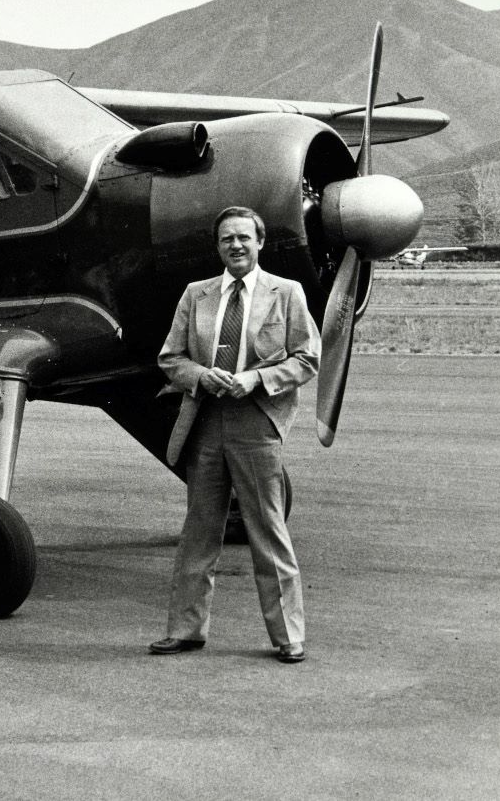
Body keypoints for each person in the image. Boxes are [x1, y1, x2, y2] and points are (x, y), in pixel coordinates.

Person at [151, 206, 320, 664]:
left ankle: (288, 635)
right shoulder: (196, 294)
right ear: (218, 246)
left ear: (260, 242)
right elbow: (170, 358)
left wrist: (257, 381)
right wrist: (201, 376)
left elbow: (307, 358)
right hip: (205, 420)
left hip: (255, 422)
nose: (236, 246)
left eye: (244, 238)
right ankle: (185, 630)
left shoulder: (286, 293)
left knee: (267, 527)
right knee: (199, 529)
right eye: (227, 239)